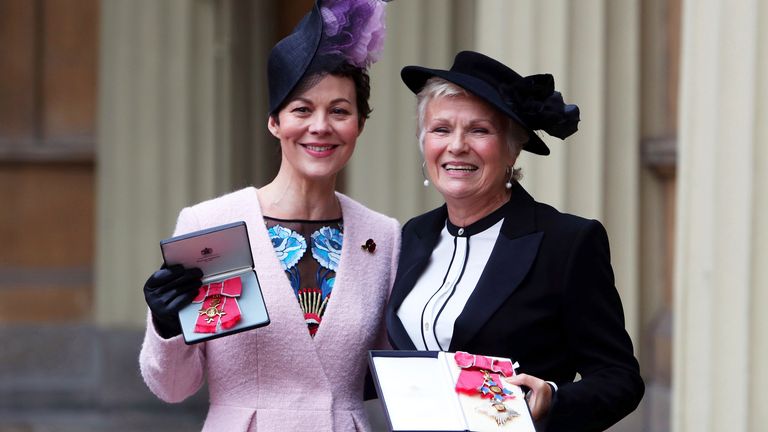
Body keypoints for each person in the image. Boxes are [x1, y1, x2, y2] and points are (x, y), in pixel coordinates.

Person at [139, 1, 399, 430]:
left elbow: (392, 371)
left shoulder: (383, 236)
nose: (321, 126)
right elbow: (173, 387)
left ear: (359, 125)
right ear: (275, 122)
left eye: (339, 111)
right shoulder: (213, 226)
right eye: (301, 109)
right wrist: (168, 326)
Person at [385, 50, 644, 431]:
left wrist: (552, 398)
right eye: (441, 129)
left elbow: (619, 379)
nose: (456, 145)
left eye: (479, 130)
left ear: (512, 148)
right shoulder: (412, 235)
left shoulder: (567, 242)